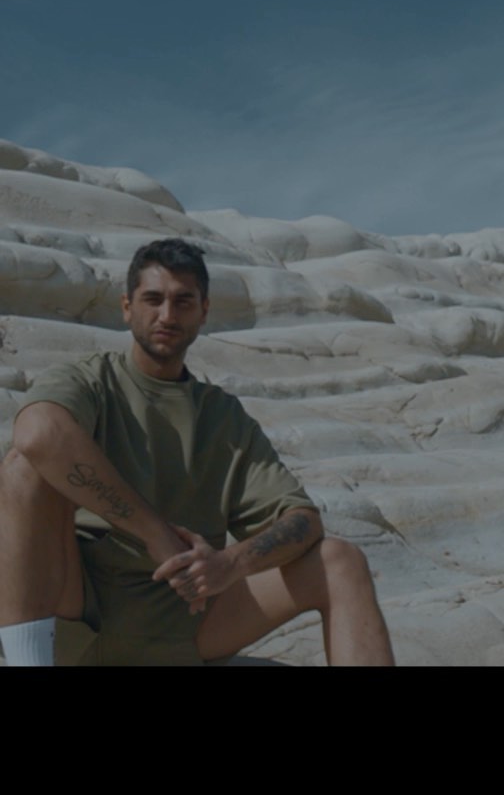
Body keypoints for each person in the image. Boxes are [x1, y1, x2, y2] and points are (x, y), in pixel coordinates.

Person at [0, 238, 395, 666]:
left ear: (204, 311)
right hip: (79, 614)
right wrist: (157, 536)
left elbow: (302, 520)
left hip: (186, 621)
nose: (167, 315)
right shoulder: (91, 381)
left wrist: (230, 564)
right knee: (24, 467)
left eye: (183, 301)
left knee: (340, 561)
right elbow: (38, 434)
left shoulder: (222, 417)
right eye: (153, 299)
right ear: (127, 307)